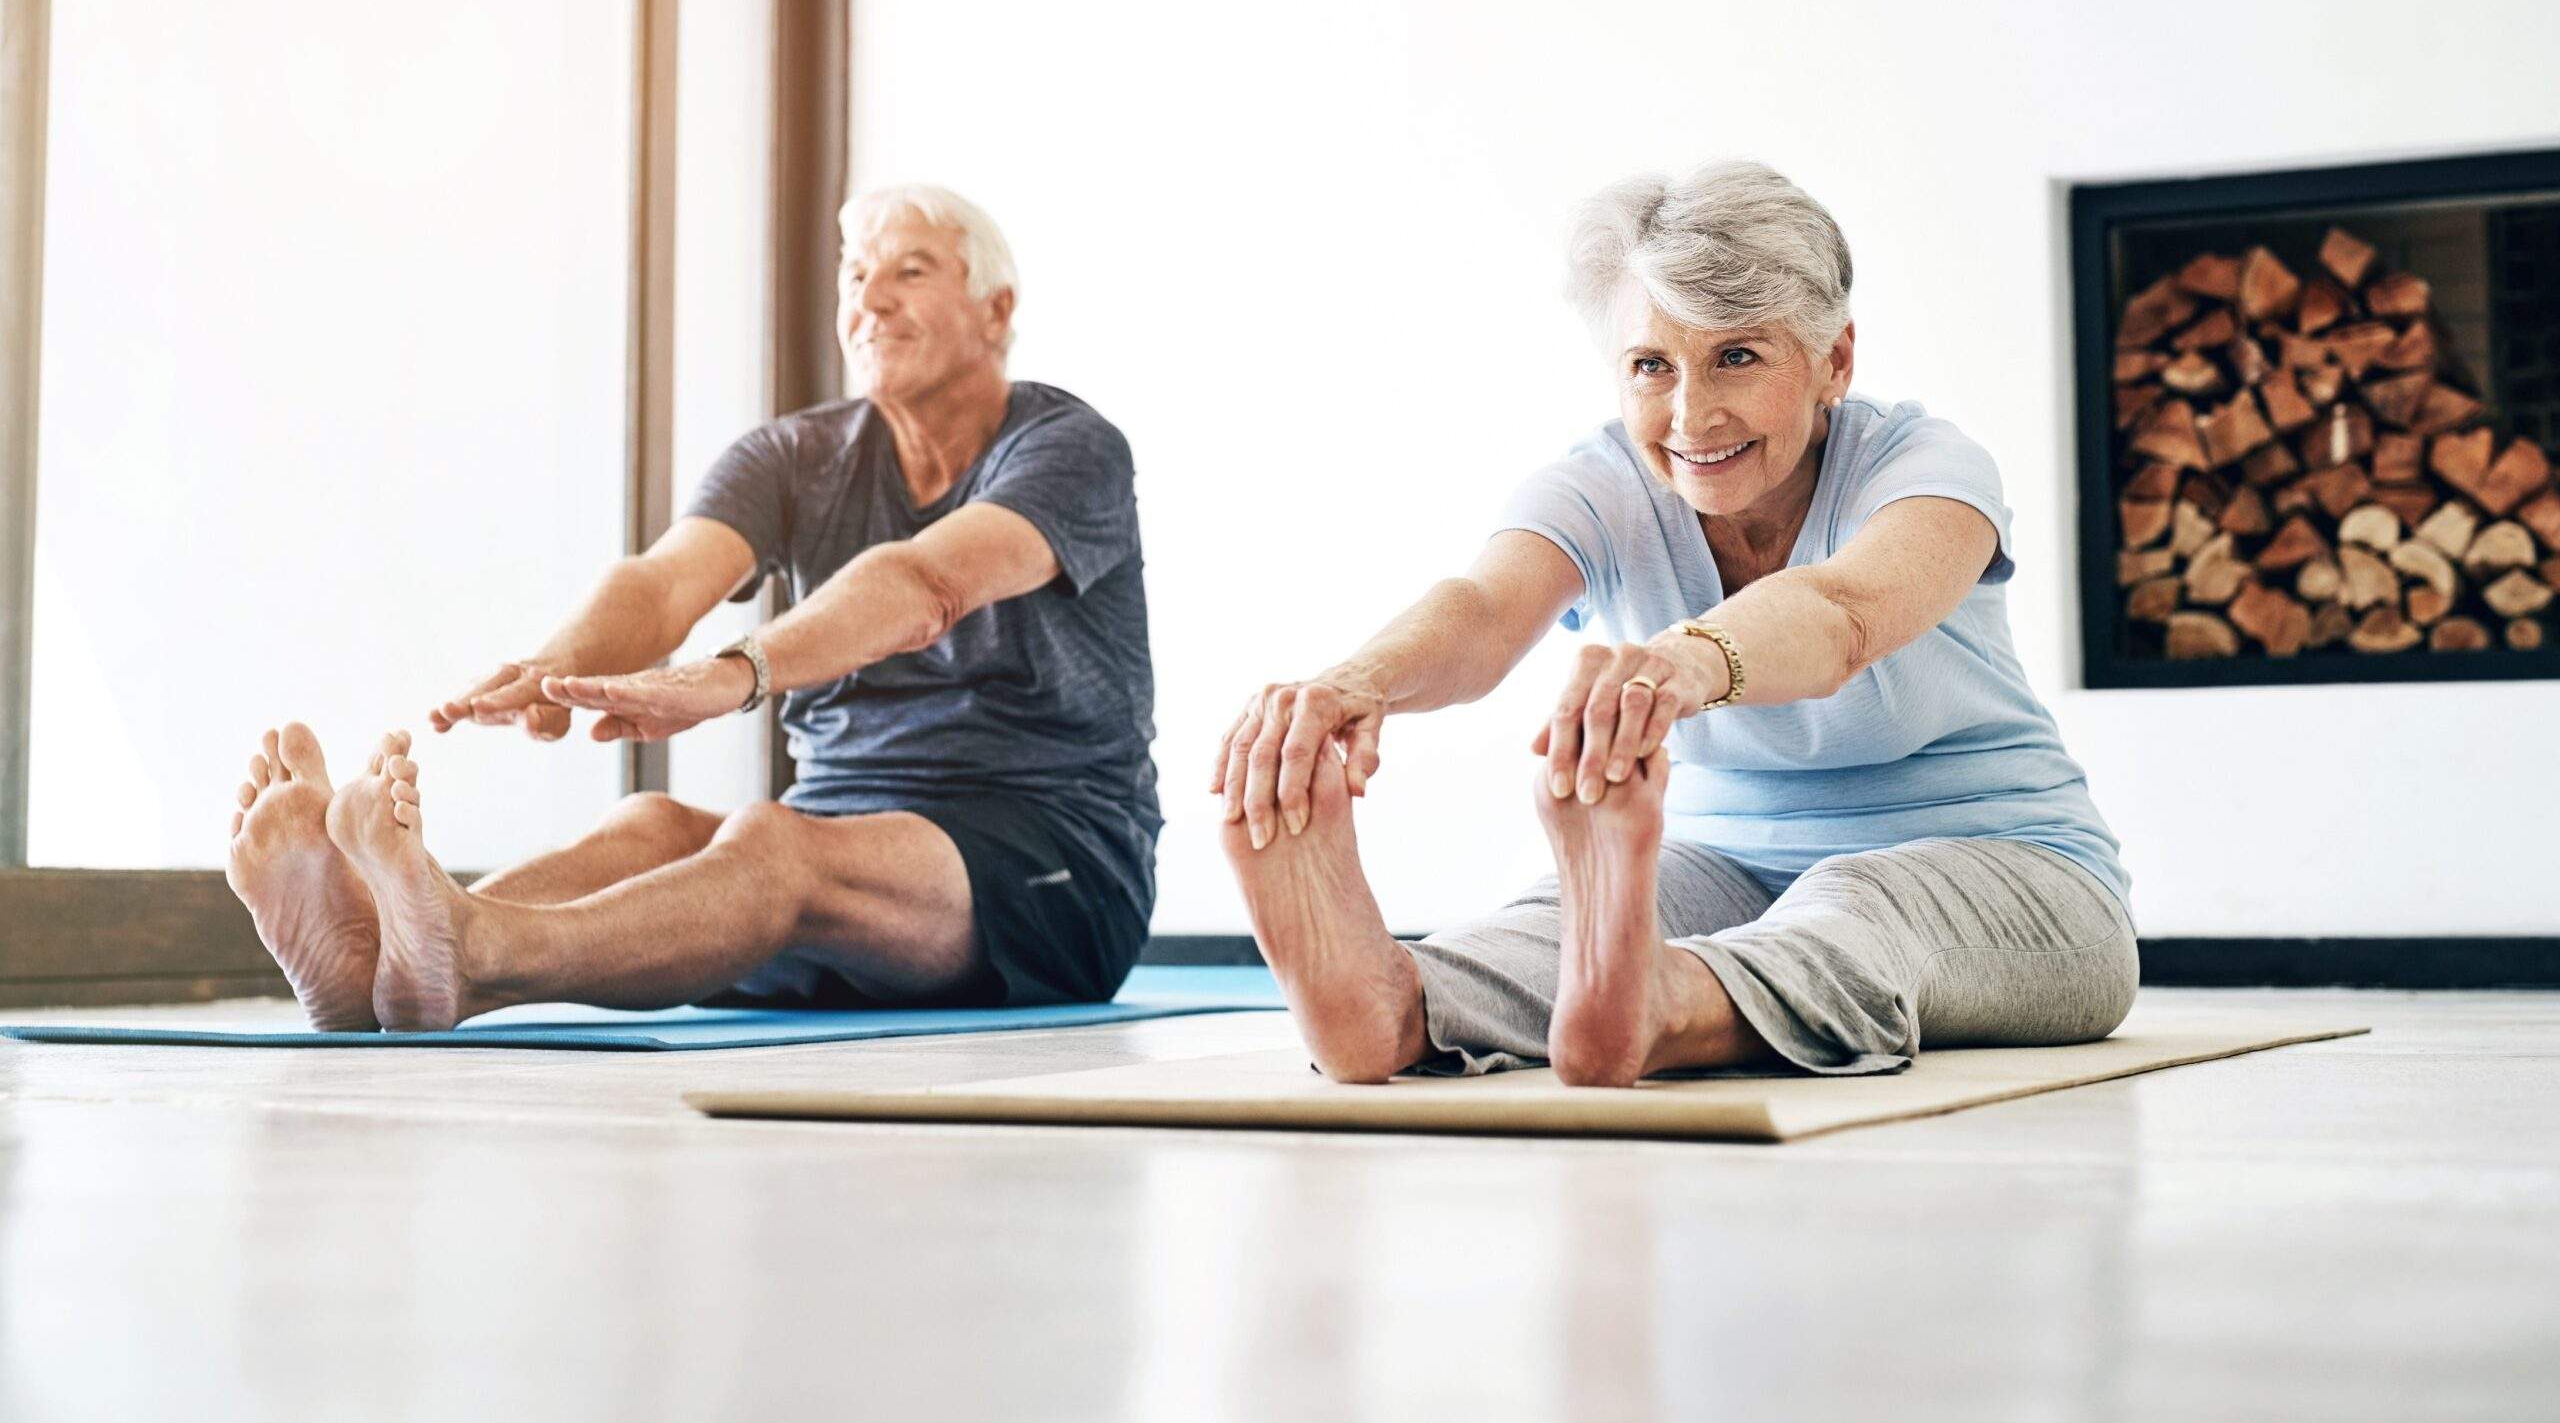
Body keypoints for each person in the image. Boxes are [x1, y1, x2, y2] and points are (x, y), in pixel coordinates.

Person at [1214, 160, 2134, 1086]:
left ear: (1834, 361)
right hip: (1719, 864)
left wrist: (1685, 662)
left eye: (1737, 356)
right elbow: (1487, 609)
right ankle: (1393, 1006)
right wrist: (1355, 683)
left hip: (2017, 869)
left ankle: (1664, 1003)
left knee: (1853, 905)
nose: (1692, 414)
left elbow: (1844, 615)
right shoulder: (1605, 482)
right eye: (1652, 366)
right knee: (1555, 929)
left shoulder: (1927, 468)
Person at [224, 185, 1158, 1031]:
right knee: (653, 826)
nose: (869, 301)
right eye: (856, 274)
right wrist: (556, 668)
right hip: (838, 843)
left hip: (1051, 870)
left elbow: (924, 586)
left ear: (997, 311)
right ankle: (387, 957)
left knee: (775, 846)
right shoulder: (796, 455)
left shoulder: (1070, 450)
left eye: (909, 273)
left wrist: (732, 677)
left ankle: (468, 954)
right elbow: (665, 582)